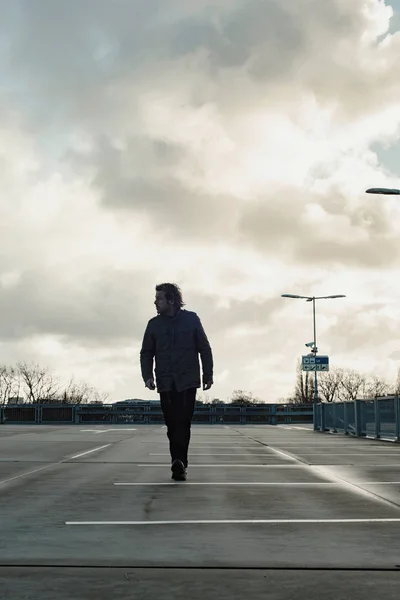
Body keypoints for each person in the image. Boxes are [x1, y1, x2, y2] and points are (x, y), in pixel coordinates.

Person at [140, 283, 213, 481]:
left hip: (187, 381)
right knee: (172, 424)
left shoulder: (191, 320)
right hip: (165, 382)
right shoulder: (153, 325)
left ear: (171, 300)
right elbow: (146, 353)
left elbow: (204, 348)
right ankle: (177, 460)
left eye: (159, 298)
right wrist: (147, 376)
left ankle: (179, 462)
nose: (155, 302)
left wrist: (208, 374)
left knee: (184, 422)